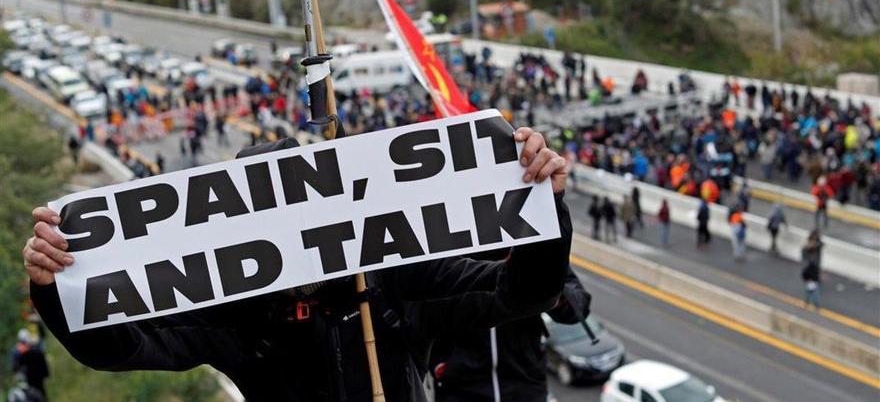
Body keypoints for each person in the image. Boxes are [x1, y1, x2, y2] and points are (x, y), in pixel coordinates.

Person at [23, 128, 573, 402]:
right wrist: (56, 288)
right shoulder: (232, 311)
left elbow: (522, 292)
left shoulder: (393, 277)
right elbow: (121, 348)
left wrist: (543, 205)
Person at [431, 267, 591, 402]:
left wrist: (550, 285)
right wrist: (439, 363)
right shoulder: (449, 244)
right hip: (459, 385)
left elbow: (578, 307)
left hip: (525, 381)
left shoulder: (528, 240)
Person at [10, 329, 49, 400]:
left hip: (29, 376)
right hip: (33, 376)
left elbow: (16, 366)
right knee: (38, 393)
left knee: (33, 394)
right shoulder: (33, 348)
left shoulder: (17, 351)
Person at [801, 230, 823, 309]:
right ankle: (810, 303)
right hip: (809, 271)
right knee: (811, 290)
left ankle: (812, 304)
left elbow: (820, 244)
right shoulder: (806, 250)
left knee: (813, 290)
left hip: (813, 272)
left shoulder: (817, 247)